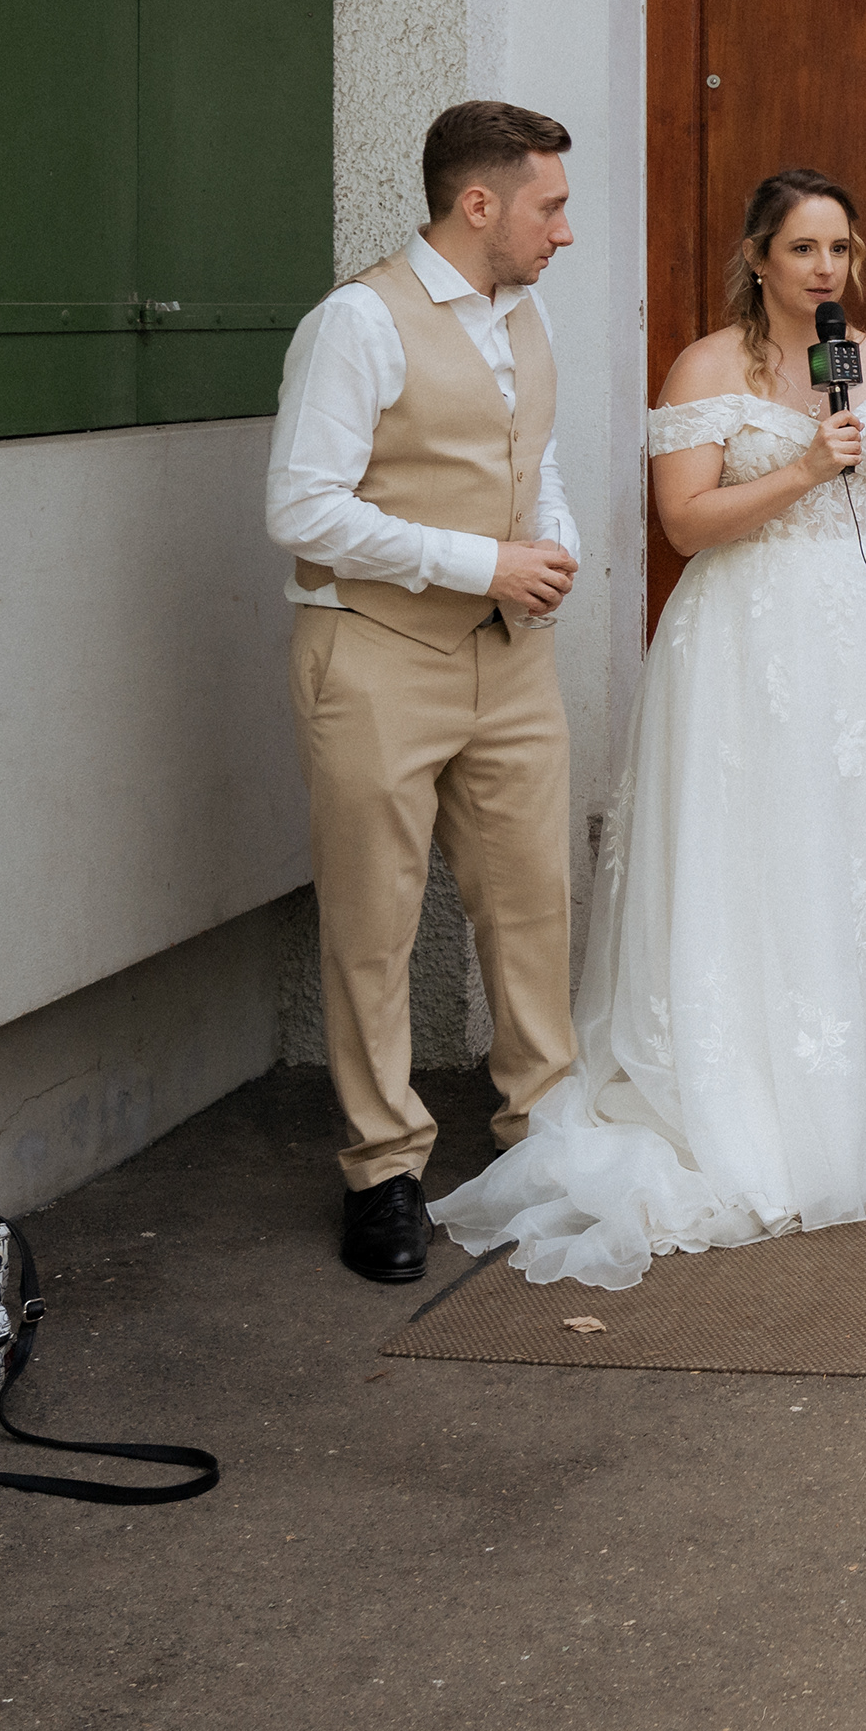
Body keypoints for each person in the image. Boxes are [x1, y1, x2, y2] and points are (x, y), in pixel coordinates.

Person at [429, 168, 866, 1289]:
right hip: (745, 636)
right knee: (759, 841)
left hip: (858, 627)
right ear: (758, 257)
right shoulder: (706, 368)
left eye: (840, 249)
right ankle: (757, 1068)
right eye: (803, 249)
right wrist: (800, 467)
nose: (826, 269)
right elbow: (685, 524)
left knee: (865, 838)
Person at [266, 101, 588, 1284]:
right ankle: (383, 1171)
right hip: (376, 654)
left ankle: (541, 1136)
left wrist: (551, 543)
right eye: (551, 206)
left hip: (512, 658)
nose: (565, 230)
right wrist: (480, 563)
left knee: (532, 902)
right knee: (373, 920)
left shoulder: (525, 313)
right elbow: (301, 507)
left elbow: (535, 456)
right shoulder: (356, 322)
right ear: (479, 203)